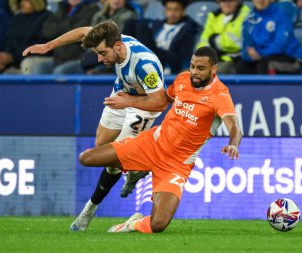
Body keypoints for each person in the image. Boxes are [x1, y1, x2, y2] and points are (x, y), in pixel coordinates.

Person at [77, 46, 242, 233]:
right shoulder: (182, 79)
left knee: (158, 224)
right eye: (192, 66)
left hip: (176, 165)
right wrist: (130, 99)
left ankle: (133, 223)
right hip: (151, 144)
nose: (194, 72)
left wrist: (233, 144)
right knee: (87, 158)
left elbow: (235, 126)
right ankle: (134, 167)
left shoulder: (220, 95)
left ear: (214, 69)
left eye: (200, 68)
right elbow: (162, 100)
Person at [22, 20, 168, 231]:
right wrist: (48, 46)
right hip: (122, 94)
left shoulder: (145, 65)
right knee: (101, 145)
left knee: (115, 153)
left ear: (117, 46)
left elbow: (161, 102)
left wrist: (127, 101)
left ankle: (88, 211)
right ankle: (134, 171)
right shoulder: (110, 40)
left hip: (144, 105)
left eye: (102, 53)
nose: (99, 59)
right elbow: (82, 31)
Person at [124, 0, 199, 75]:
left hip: (168, 61)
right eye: (169, 9)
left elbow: (179, 57)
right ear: (165, 11)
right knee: (130, 23)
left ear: (183, 12)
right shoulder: (157, 25)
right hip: (152, 53)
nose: (172, 13)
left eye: (176, 10)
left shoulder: (188, 30)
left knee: (141, 25)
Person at [236, 0, 302, 74]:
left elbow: (280, 45)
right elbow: (246, 45)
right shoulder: (249, 19)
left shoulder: (281, 15)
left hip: (289, 59)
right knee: (242, 66)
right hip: (262, 58)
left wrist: (259, 54)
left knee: (265, 65)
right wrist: (250, 54)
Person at [0, 0, 51, 74]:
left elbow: (40, 46)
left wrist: (13, 57)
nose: (22, 3)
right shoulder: (17, 18)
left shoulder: (47, 18)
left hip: (39, 57)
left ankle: (29, 85)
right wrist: (5, 56)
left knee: (27, 64)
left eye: (26, 1)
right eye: (20, 1)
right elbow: (9, 41)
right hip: (16, 58)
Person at [196, 0, 250, 74]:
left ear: (238, 1)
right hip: (211, 61)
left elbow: (236, 42)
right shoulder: (213, 17)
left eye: (231, 1)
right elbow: (203, 41)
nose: (227, 3)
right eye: (223, 1)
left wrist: (213, 40)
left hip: (232, 61)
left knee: (206, 74)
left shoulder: (245, 15)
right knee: (185, 74)